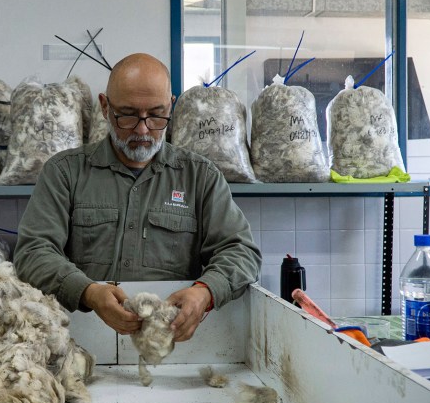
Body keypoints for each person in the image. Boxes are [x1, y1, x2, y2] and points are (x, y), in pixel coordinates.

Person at [13, 53, 261, 342]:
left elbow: (242, 252)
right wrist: (88, 292)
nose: (143, 129)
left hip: (171, 348)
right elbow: (32, 252)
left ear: (171, 105)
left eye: (156, 114)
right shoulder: (64, 173)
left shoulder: (200, 177)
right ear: (105, 107)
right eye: (128, 115)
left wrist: (205, 291)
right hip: (79, 342)